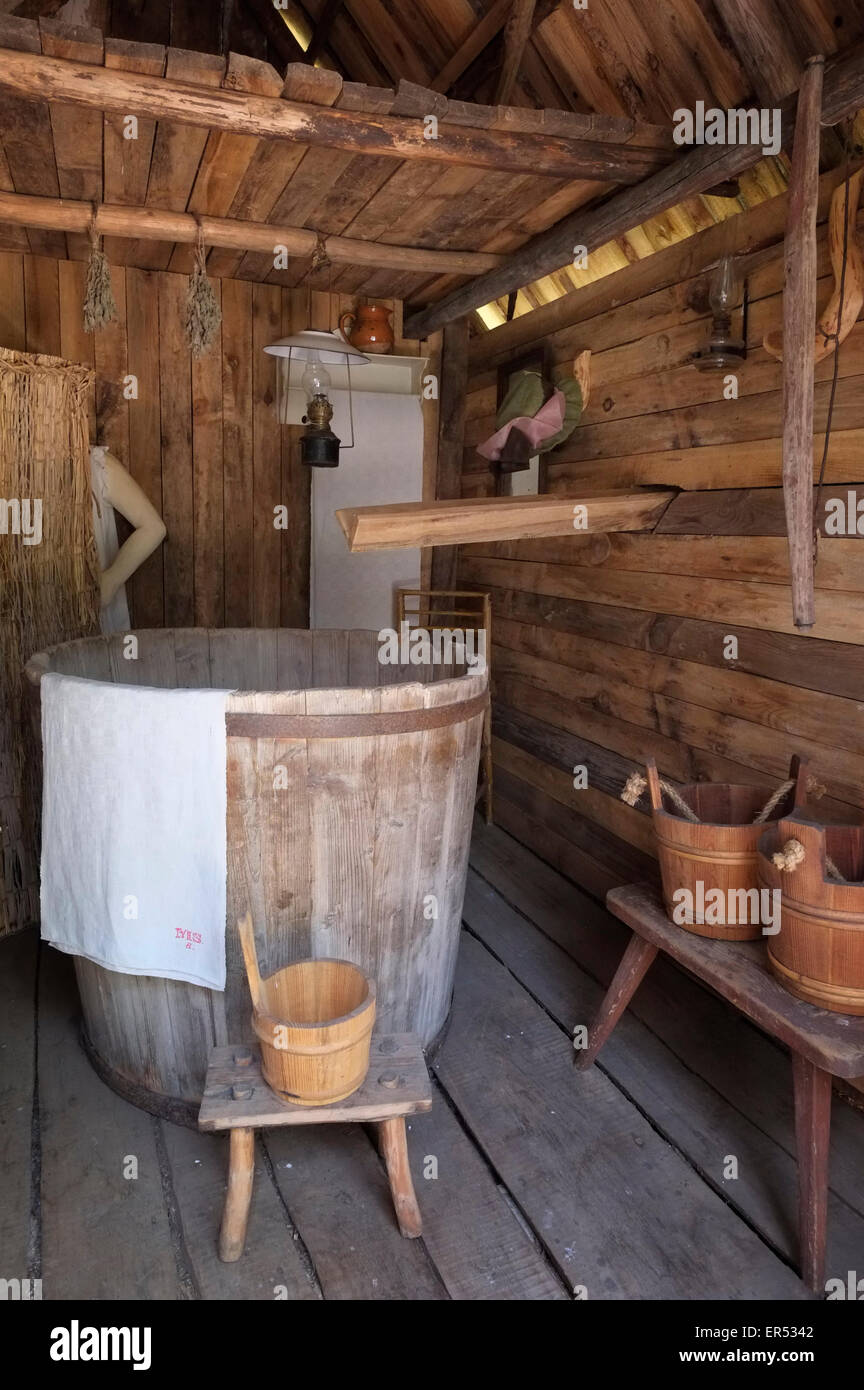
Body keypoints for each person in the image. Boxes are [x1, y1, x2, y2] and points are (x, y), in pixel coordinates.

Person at [89, 444, 166, 634]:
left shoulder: (96, 465)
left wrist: (109, 583)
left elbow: (153, 527)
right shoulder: (15, 472)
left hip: (92, 612)